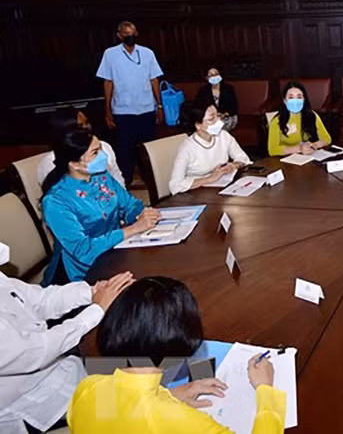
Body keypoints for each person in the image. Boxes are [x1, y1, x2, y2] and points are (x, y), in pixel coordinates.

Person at [68, 276, 286, 433]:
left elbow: (123, 416)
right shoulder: (183, 423)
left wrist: (170, 395)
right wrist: (265, 389)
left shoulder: (88, 388)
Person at [0, 238, 133, 434]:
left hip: (64, 368)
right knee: (139, 412)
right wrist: (96, 310)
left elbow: (40, 300)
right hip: (36, 405)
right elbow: (37, 350)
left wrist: (92, 291)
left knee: (148, 369)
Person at [41, 125, 159, 285]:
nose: (103, 156)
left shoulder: (101, 176)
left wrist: (141, 214)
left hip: (118, 251)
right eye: (95, 153)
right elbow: (83, 250)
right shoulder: (56, 201)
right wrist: (133, 229)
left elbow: (129, 205)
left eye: (101, 149)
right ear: (74, 164)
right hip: (86, 272)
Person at [97, 20, 165, 186]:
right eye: (126, 34)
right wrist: (107, 111)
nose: (130, 37)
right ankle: (125, 181)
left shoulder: (147, 53)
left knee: (147, 148)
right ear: (119, 36)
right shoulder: (110, 54)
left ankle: (151, 179)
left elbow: (154, 79)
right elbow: (108, 82)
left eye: (133, 34)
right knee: (124, 149)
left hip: (146, 108)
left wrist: (160, 106)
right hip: (122, 111)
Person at [169, 99, 252, 195]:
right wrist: (210, 178)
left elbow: (244, 158)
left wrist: (234, 165)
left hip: (219, 190)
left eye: (218, 115)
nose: (218, 121)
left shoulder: (223, 136)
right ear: (198, 125)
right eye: (212, 119)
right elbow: (175, 185)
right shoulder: (187, 148)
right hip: (194, 194)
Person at [37, 111, 125, 189]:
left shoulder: (104, 146)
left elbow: (117, 178)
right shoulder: (49, 164)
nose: (87, 128)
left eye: (87, 123)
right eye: (80, 126)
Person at [268, 82, 332, 156]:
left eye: (299, 97)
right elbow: (272, 150)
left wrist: (313, 146)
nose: (295, 101)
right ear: (285, 101)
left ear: (304, 100)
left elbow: (327, 139)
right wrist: (299, 148)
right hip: (285, 159)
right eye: (291, 97)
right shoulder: (277, 120)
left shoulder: (311, 115)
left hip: (307, 157)